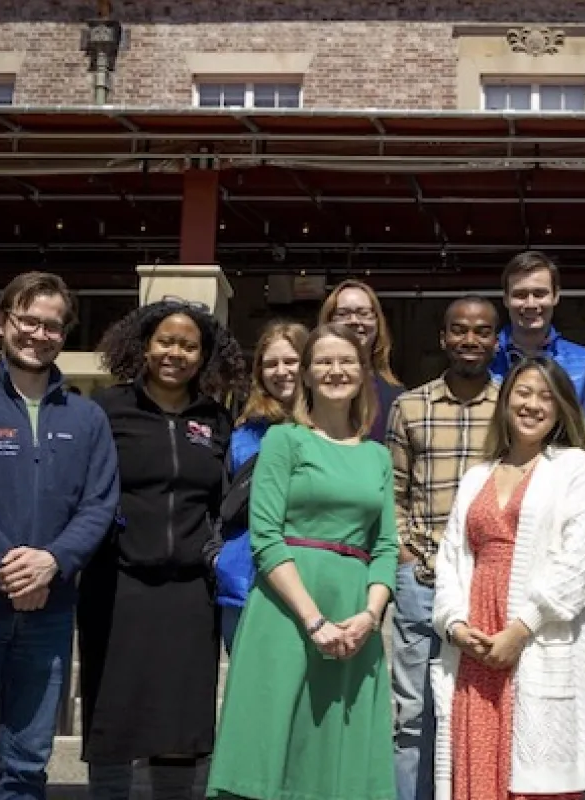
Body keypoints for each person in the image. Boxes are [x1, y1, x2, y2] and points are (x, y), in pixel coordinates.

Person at [0, 271, 119, 800]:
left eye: (52, 326)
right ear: (1, 322)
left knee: (27, 765)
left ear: (64, 335)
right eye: (28, 320)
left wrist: (52, 563)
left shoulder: (87, 418)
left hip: (49, 611)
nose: (39, 334)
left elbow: (99, 504)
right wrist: (13, 565)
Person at [207, 323, 398, 800]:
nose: (336, 370)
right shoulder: (284, 441)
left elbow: (385, 546)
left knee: (339, 749)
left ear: (363, 372)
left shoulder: (377, 456)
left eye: (346, 361)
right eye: (324, 361)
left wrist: (370, 616)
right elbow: (266, 538)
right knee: (274, 742)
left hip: (354, 615)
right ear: (307, 375)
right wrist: (314, 621)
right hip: (287, 611)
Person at [80, 298, 247, 800]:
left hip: (190, 592)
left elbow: (225, 501)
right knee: (112, 716)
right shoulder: (106, 410)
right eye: (166, 342)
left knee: (181, 722)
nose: (176, 353)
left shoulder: (216, 419)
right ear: (145, 346)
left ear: (204, 355)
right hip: (117, 583)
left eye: (189, 346)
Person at [430, 356, 585, 800]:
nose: (532, 405)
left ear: (561, 408)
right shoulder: (477, 476)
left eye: (546, 397)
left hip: (535, 635)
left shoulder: (572, 466)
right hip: (476, 641)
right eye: (523, 393)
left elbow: (581, 558)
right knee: (476, 765)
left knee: (534, 771)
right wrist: (455, 625)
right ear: (505, 401)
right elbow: (451, 556)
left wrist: (522, 626)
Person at [385, 296, 503, 800]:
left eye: (481, 331)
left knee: (482, 710)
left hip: (489, 587)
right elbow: (393, 493)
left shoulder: (512, 406)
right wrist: (406, 557)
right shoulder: (410, 406)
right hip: (423, 580)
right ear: (443, 338)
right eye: (459, 330)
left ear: (496, 340)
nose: (470, 340)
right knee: (413, 714)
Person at [211, 319, 310, 651]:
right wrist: (217, 557)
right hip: (243, 585)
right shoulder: (244, 434)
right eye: (271, 364)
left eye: (291, 360)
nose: (281, 371)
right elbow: (219, 502)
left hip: (309, 585)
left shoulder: (332, 430)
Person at [488, 250, 585, 419]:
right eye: (520, 295)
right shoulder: (486, 358)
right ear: (506, 299)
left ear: (555, 296)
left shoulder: (584, 362)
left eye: (539, 294)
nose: (530, 304)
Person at [320, 278, 404, 441]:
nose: (354, 321)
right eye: (343, 314)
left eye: (363, 313)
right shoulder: (309, 387)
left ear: (377, 322)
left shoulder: (396, 396)